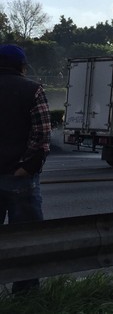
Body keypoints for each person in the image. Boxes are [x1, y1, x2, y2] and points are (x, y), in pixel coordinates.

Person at [0, 44, 51, 294]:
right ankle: (26, 294)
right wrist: (27, 167)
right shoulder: (32, 90)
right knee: (27, 239)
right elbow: (42, 134)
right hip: (19, 179)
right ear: (22, 66)